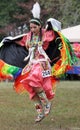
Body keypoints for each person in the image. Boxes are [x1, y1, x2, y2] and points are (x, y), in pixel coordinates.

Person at [0, 2, 77, 122]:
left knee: (34, 81)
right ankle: (40, 112)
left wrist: (51, 24)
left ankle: (46, 103)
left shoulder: (46, 34)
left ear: (40, 27)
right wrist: (8, 41)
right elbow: (19, 41)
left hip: (42, 63)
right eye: (31, 27)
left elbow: (56, 33)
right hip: (32, 63)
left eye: (34, 27)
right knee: (29, 86)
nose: (32, 29)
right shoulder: (28, 37)